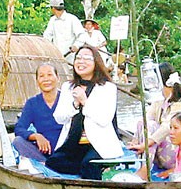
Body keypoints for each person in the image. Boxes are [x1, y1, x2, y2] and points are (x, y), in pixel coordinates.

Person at [45, 45, 124, 180]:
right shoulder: (67, 87)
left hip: (98, 143)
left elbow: (104, 118)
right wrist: (75, 104)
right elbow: (59, 118)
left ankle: (98, 176)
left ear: (96, 63)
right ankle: (94, 169)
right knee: (53, 163)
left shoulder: (107, 88)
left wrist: (85, 101)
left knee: (89, 165)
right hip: (74, 142)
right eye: (78, 58)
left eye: (87, 58)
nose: (81, 62)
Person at [128, 62, 181, 179]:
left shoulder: (180, 104)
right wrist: (136, 140)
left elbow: (167, 127)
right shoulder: (158, 100)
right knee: (143, 122)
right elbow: (147, 118)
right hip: (159, 152)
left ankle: (145, 169)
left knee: (152, 126)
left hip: (174, 152)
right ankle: (144, 164)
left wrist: (147, 144)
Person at [12, 64, 63, 163]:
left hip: (67, 151)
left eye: (49, 74)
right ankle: (45, 166)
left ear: (58, 78)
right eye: (41, 76)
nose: (46, 79)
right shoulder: (32, 103)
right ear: (37, 81)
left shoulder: (67, 99)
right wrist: (36, 136)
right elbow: (19, 129)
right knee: (18, 141)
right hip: (44, 154)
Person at [43, 0, 86, 64]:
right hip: (56, 55)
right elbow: (47, 35)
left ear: (53, 8)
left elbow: (82, 35)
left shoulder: (72, 19)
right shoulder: (52, 20)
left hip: (70, 56)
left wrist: (76, 45)